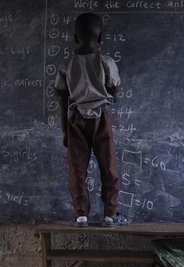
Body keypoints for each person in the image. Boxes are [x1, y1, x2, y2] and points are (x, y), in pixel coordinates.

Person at [54, 12, 128, 227]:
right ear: (101, 37)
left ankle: (81, 216)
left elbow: (63, 98)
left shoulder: (67, 63)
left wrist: (64, 130)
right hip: (101, 119)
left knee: (77, 168)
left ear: (75, 38)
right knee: (108, 165)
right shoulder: (106, 61)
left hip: (75, 120)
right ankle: (110, 214)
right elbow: (114, 93)